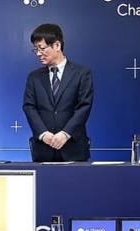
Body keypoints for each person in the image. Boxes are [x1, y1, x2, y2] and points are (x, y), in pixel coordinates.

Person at [23, 23, 94, 162]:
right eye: (35, 49)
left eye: (42, 48)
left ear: (57, 45)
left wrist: (65, 133)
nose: (38, 53)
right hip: (43, 149)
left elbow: (84, 107)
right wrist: (43, 134)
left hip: (73, 148)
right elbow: (29, 107)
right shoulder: (34, 77)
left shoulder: (81, 73)